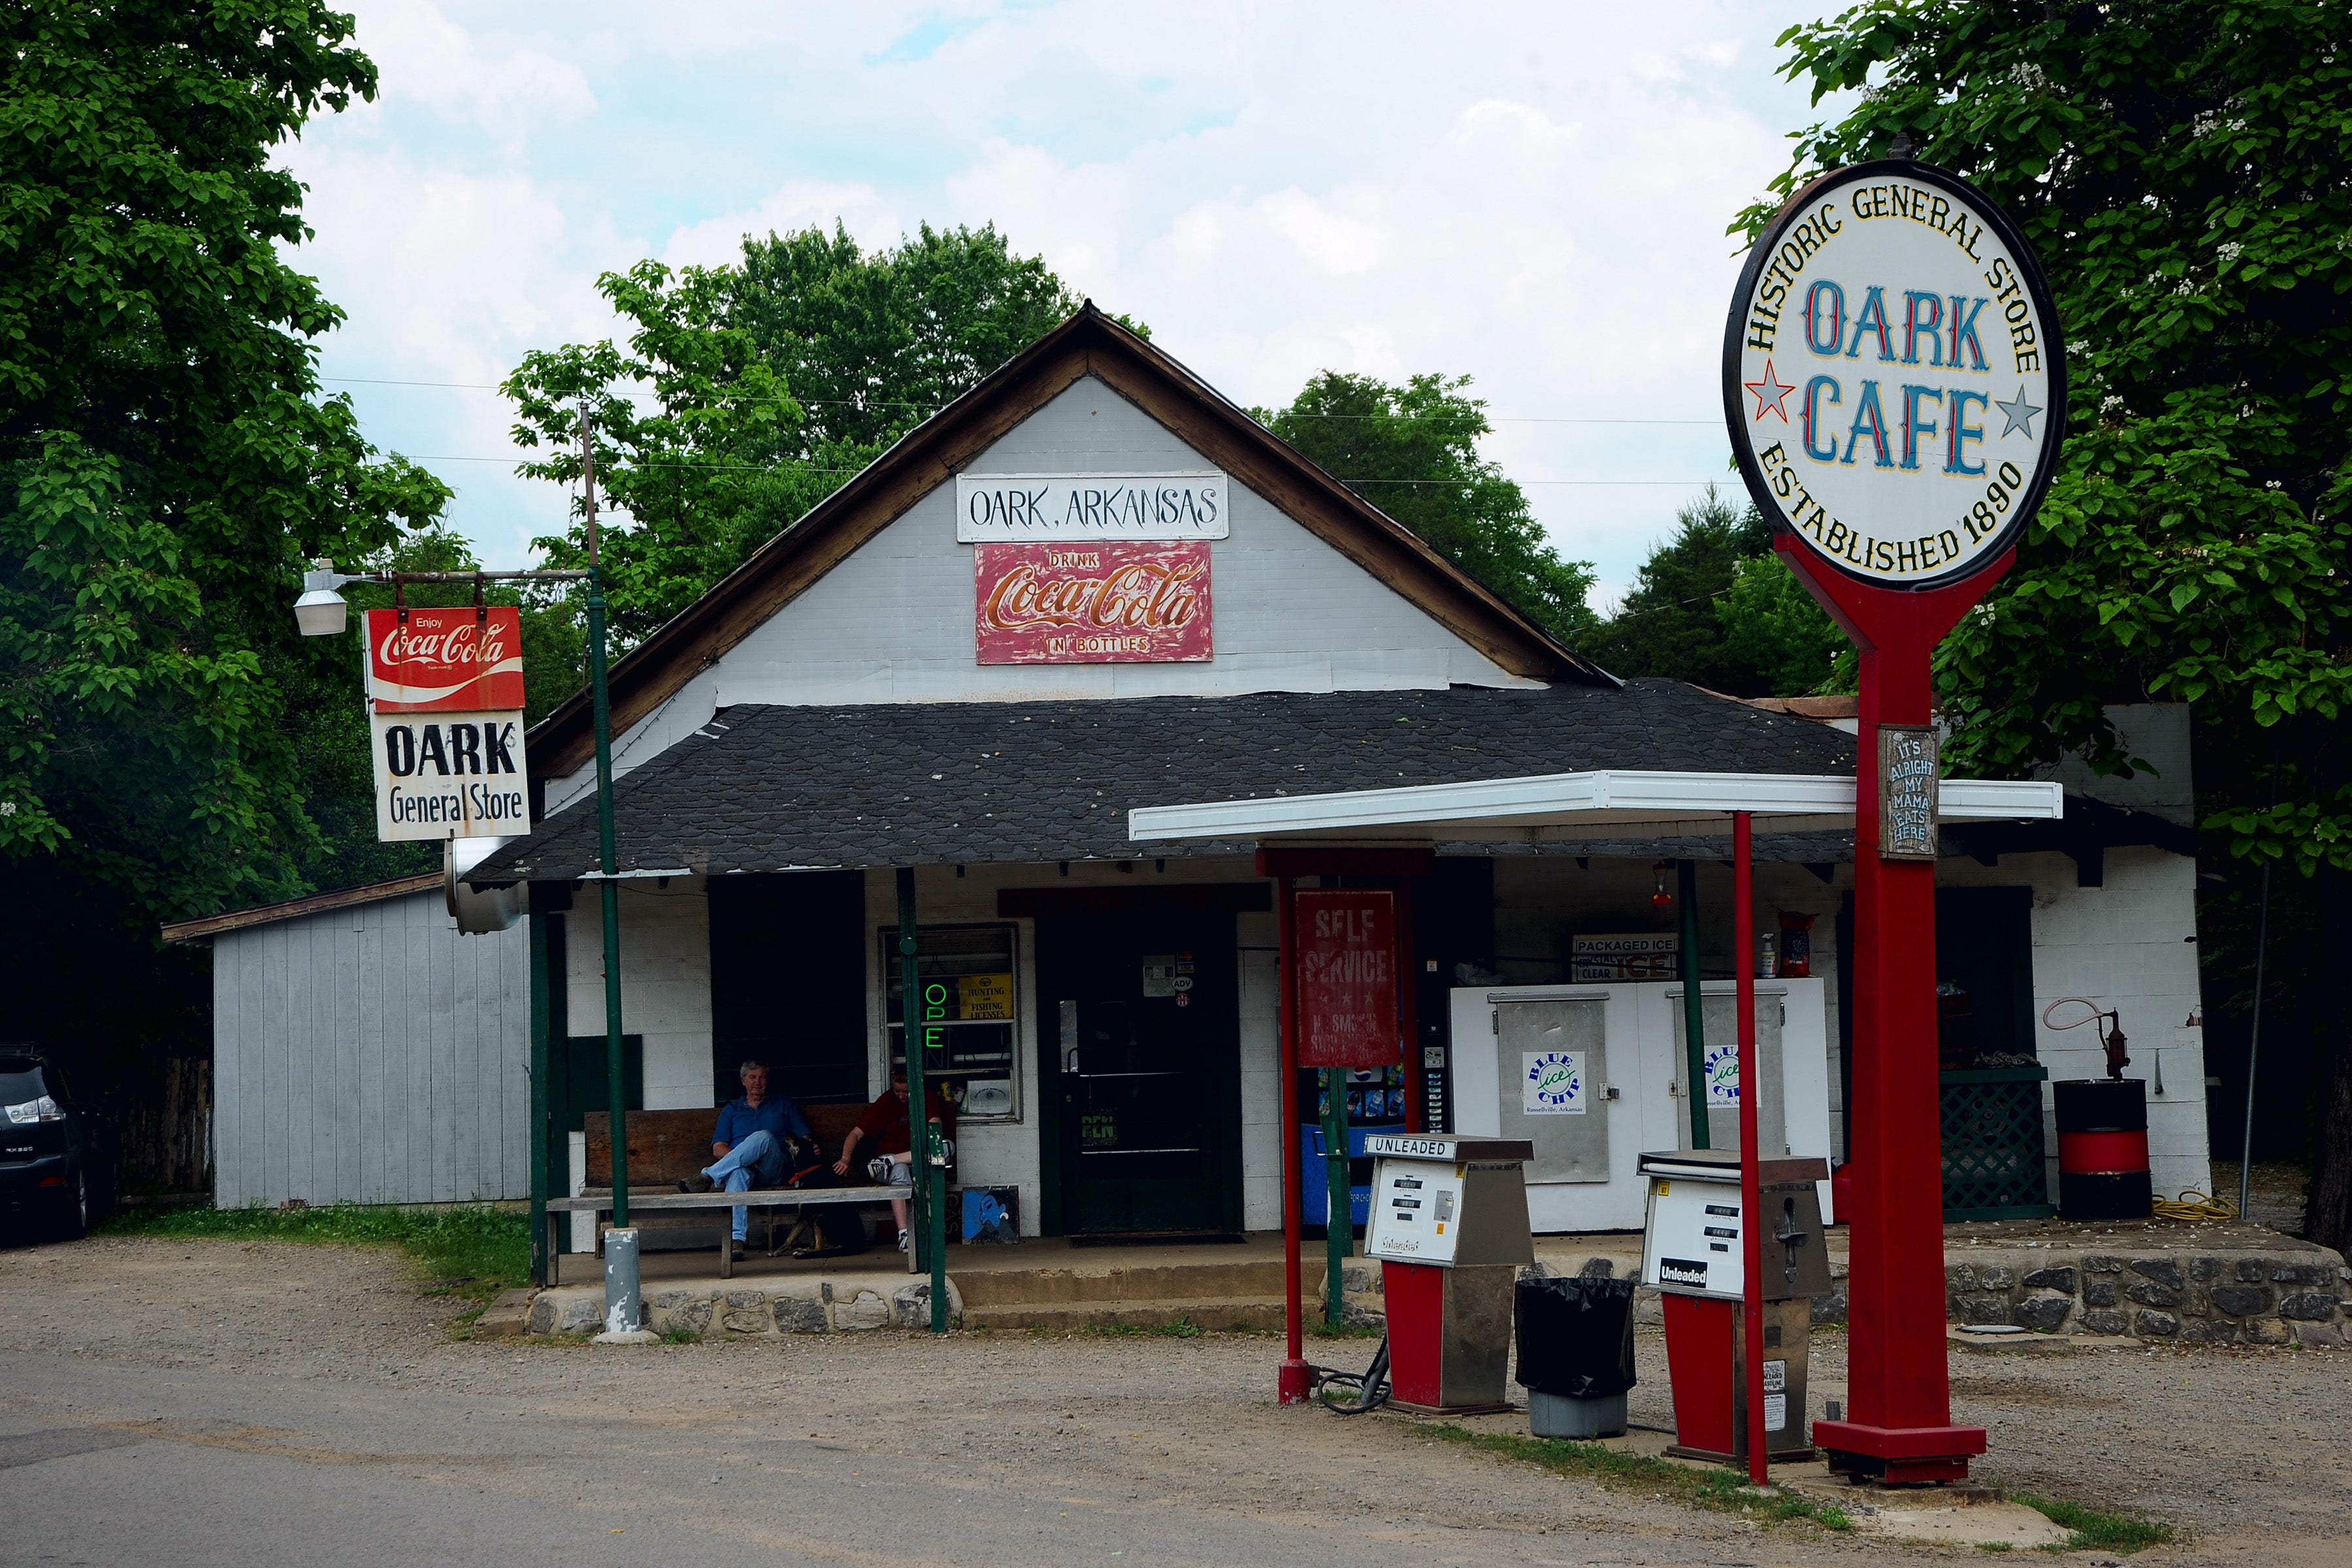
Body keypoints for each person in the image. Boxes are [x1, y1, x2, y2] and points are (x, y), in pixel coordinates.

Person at [683, 1060, 811, 1256]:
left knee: (764, 1137)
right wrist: (745, 1159)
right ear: (743, 1081)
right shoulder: (732, 1110)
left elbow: (805, 1138)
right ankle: (737, 1241)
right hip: (745, 1168)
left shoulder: (783, 1104)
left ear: (767, 1080)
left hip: (773, 1169)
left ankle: (708, 1177)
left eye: (762, 1077)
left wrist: (812, 1146)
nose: (757, 1082)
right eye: (752, 1077)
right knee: (736, 1175)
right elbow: (718, 1149)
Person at [833, 1068, 954, 1252]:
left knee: (946, 1148)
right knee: (900, 1171)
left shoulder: (927, 1098)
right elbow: (856, 1134)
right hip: (885, 1168)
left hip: (921, 1162)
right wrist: (845, 1158)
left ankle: (893, 1159)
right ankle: (904, 1234)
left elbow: (935, 1128)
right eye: (897, 1090)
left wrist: (924, 1141)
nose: (901, 1096)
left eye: (906, 1092)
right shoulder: (887, 1101)